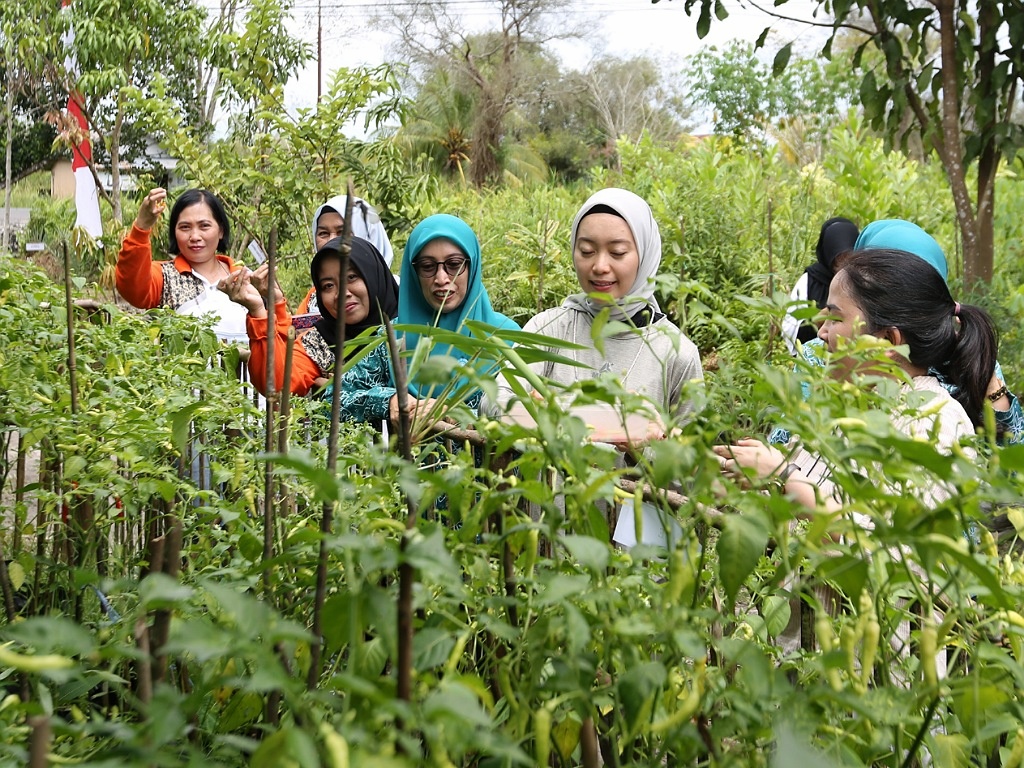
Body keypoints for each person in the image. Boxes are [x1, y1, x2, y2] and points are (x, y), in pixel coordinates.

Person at [716, 247, 996, 511]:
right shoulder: (839, 404)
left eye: (835, 319)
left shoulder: (934, 424)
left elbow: (897, 553)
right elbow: (784, 499)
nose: (821, 332)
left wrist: (784, 476)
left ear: (888, 341)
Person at [491, 187, 703, 424]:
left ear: (645, 256)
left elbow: (693, 453)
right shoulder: (549, 328)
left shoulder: (676, 354)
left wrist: (646, 439)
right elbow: (493, 401)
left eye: (617, 252)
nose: (600, 266)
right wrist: (530, 413)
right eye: (587, 251)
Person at [223, 236, 413, 426]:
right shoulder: (321, 341)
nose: (342, 293)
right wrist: (262, 310)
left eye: (352, 277)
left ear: (374, 275)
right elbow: (278, 386)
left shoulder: (413, 328)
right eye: (328, 286)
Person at [398, 213, 520, 409]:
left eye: (454, 265)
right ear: (413, 272)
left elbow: (521, 410)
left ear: (472, 265)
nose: (441, 278)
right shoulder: (393, 337)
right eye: (427, 266)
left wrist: (467, 418)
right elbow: (338, 396)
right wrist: (390, 400)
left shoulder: (505, 338)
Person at [115, 187, 248, 342]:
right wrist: (141, 227)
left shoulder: (244, 277)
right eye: (185, 227)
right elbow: (132, 288)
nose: (195, 236)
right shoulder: (164, 275)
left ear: (221, 231)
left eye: (204, 225)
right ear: (174, 232)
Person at [296, 194, 396, 316]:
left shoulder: (404, 296)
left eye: (342, 232)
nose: (332, 241)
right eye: (323, 233)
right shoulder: (315, 300)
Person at [781, 217, 859, 355]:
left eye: (849, 256)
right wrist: (819, 318)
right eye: (839, 258)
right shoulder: (810, 280)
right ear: (827, 254)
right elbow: (789, 329)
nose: (844, 264)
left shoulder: (861, 279)